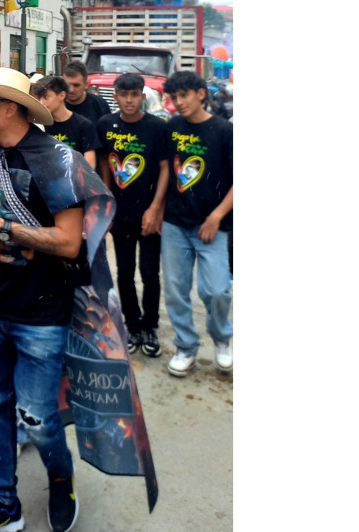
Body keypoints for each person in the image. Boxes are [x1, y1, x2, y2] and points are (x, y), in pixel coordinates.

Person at [0, 67, 111, 531]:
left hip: (40, 314)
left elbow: (70, 242)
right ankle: (5, 504)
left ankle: (60, 478)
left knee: (37, 419)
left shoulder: (59, 160)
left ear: (8, 108)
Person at [158, 71, 233, 377]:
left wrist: (216, 216)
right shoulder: (173, 126)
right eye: (174, 98)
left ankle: (222, 339)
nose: (178, 103)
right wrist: (158, 209)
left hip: (212, 226)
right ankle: (186, 346)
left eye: (184, 95)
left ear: (201, 93)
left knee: (216, 290)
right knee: (176, 289)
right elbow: (166, 170)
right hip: (176, 222)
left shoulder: (224, 130)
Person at [96, 73, 170, 357]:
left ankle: (150, 326)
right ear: (115, 96)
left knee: (150, 273)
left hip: (149, 214)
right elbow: (104, 161)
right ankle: (132, 325)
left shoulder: (156, 127)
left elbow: (165, 168)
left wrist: (156, 208)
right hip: (121, 213)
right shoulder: (106, 124)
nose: (129, 100)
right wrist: (107, 195)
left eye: (134, 94)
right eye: (124, 94)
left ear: (143, 96)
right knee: (124, 272)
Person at [33, 75, 101, 168]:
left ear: (62, 95)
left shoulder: (84, 125)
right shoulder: (40, 125)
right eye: (39, 98)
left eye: (46, 97)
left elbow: (90, 166)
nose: (41, 102)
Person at [62, 60, 112, 125]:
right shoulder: (56, 105)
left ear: (86, 85)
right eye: (67, 85)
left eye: (76, 85)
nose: (71, 90)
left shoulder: (100, 105)